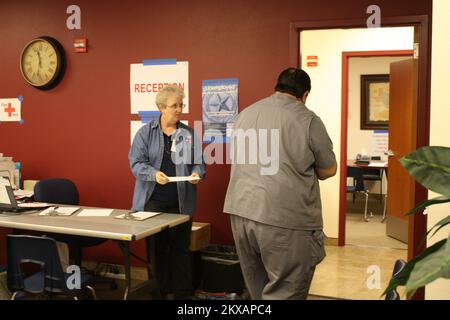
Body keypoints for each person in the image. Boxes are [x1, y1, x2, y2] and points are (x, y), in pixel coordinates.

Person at [223, 67, 337, 300]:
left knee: (257, 286)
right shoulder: (308, 119)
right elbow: (328, 169)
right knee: (287, 290)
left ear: (277, 87)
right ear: (305, 95)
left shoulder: (245, 114)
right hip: (283, 219)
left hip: (242, 212)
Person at [129, 84, 206, 300]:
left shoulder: (189, 134)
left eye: (181, 105)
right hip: (153, 202)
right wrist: (154, 174)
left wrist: (197, 173)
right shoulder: (145, 133)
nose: (180, 109)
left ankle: (183, 296)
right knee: (157, 252)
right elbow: (135, 164)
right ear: (162, 107)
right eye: (175, 105)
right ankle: (159, 293)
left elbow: (200, 163)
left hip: (181, 203)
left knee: (181, 251)